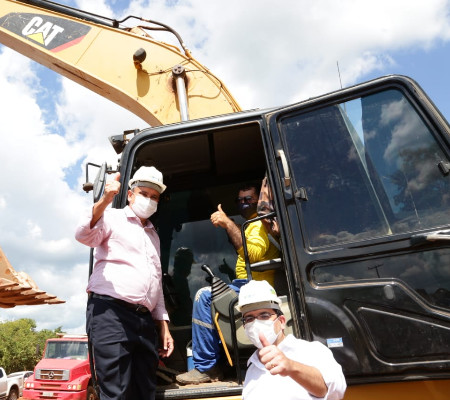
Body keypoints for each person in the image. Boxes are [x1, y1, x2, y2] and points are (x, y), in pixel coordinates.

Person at [75, 166, 174, 400]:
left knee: (145, 390)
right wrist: (105, 200)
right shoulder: (111, 217)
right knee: (117, 392)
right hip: (112, 313)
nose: (149, 200)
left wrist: (163, 325)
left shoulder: (153, 235)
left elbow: (156, 282)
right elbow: (83, 234)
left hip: (144, 320)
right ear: (130, 195)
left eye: (154, 197)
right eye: (144, 193)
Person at [176, 183, 279, 385]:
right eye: (239, 200)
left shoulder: (259, 223)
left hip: (255, 287)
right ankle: (219, 361)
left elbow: (252, 255)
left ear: (258, 201)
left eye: (248, 199)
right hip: (245, 285)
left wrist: (228, 223)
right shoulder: (250, 225)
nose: (243, 203)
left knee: (204, 297)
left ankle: (207, 367)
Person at [237, 280, 347, 400]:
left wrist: (291, 367)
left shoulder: (312, 351)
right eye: (249, 318)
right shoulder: (252, 368)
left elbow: (333, 391)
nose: (256, 323)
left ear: (282, 321)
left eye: (264, 315)